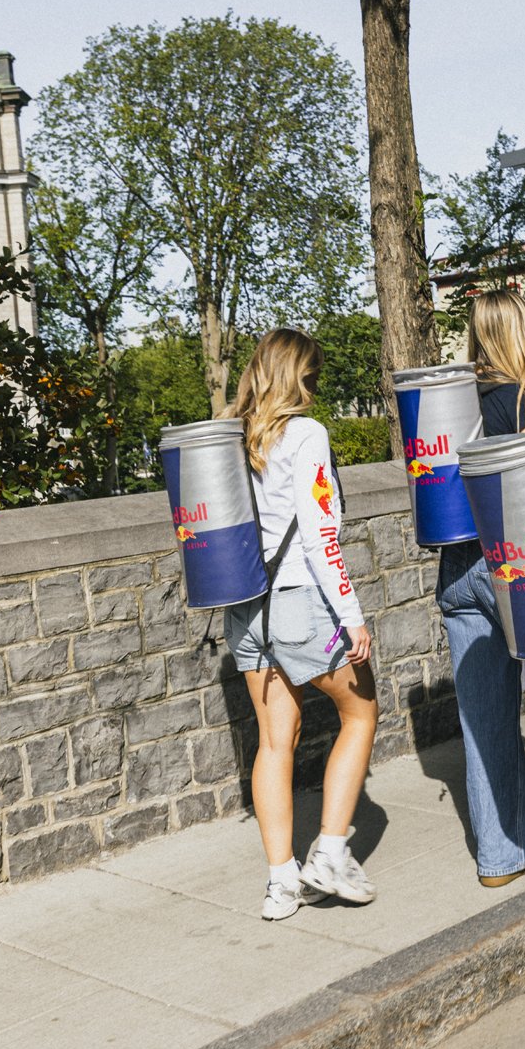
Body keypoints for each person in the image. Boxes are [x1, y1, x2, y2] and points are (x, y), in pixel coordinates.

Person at [223, 328, 378, 920]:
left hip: (247, 609)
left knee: (273, 741)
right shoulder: (307, 435)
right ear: (300, 376)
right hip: (298, 601)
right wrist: (351, 615)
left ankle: (280, 882)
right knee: (361, 710)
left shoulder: (233, 438)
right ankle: (330, 853)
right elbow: (319, 536)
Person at [437, 291, 525, 886]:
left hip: (455, 571)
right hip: (509, 564)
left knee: (483, 720)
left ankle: (500, 856)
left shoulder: (449, 404)